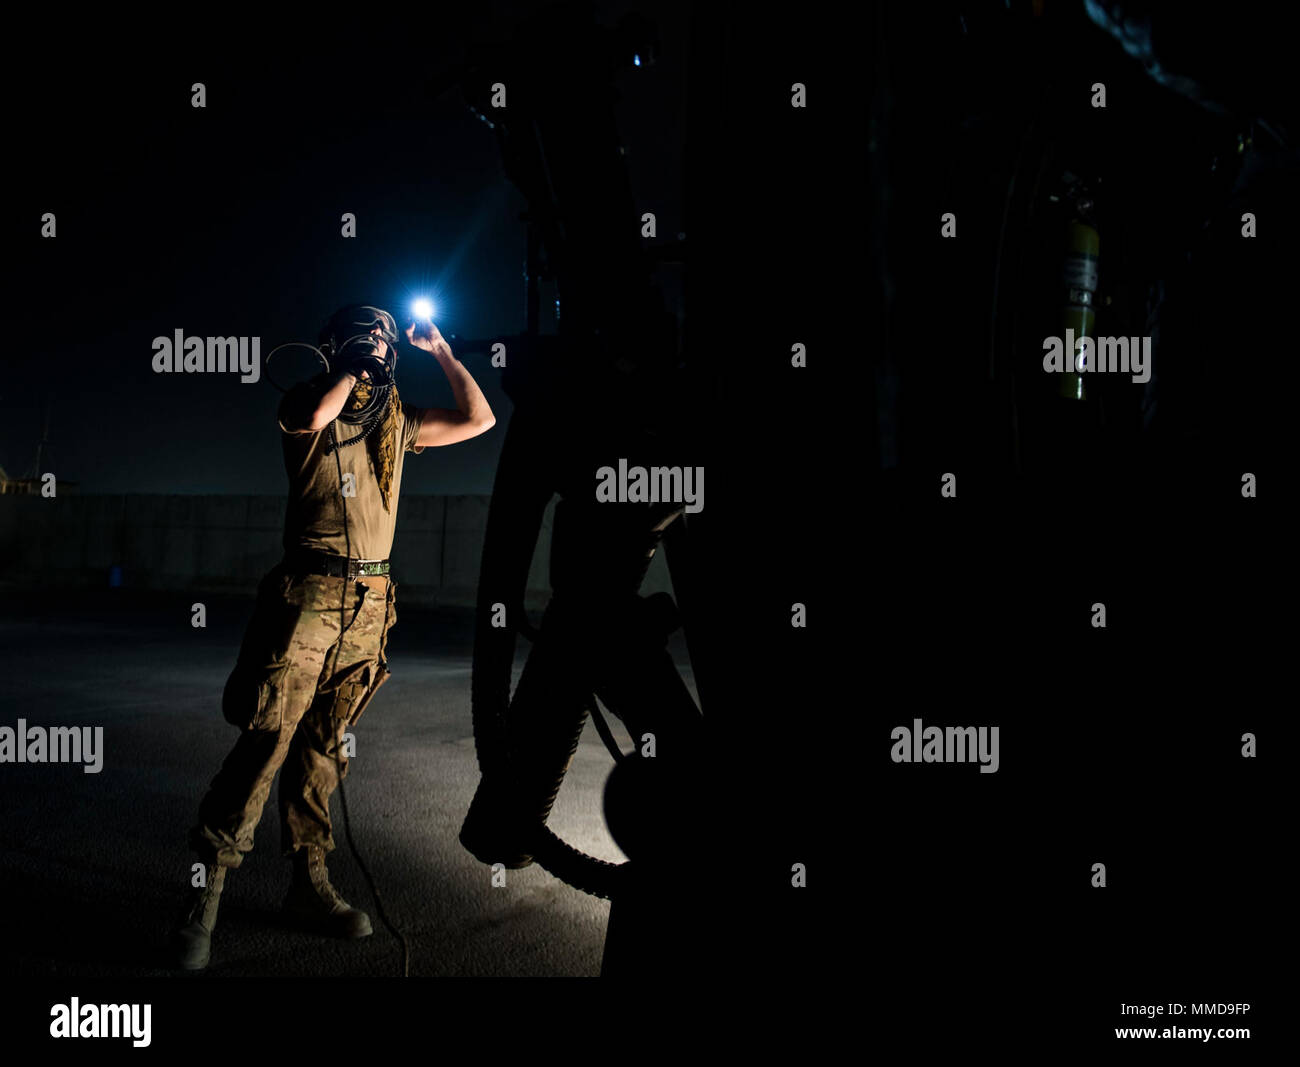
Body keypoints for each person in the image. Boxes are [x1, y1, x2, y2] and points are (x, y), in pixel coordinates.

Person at [172, 304, 495, 970]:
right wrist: (352, 366)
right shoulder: (307, 401)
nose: (378, 341)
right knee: (268, 740)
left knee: (323, 749)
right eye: (364, 331)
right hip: (308, 597)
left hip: (370, 604)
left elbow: (479, 419)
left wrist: (439, 350)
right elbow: (317, 415)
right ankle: (204, 897)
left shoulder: (397, 423)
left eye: (384, 334)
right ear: (336, 346)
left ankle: (309, 884)